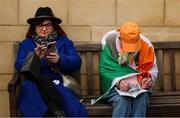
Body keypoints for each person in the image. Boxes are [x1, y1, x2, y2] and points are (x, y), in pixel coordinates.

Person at [15, 7, 87, 117]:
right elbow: (19, 65)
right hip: (33, 83)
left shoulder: (64, 41)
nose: (44, 29)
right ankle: (56, 110)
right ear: (34, 27)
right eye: (40, 25)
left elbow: (77, 62)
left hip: (56, 82)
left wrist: (59, 59)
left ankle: (54, 109)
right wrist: (35, 58)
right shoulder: (26, 44)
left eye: (47, 25)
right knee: (33, 87)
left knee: (49, 87)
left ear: (53, 26)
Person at [99, 21, 158, 117]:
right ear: (119, 37)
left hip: (139, 89)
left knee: (141, 98)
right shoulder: (110, 42)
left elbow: (152, 69)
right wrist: (119, 82)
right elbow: (105, 70)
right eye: (128, 45)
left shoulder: (146, 45)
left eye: (134, 45)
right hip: (115, 89)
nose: (132, 50)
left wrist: (148, 79)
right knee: (122, 100)